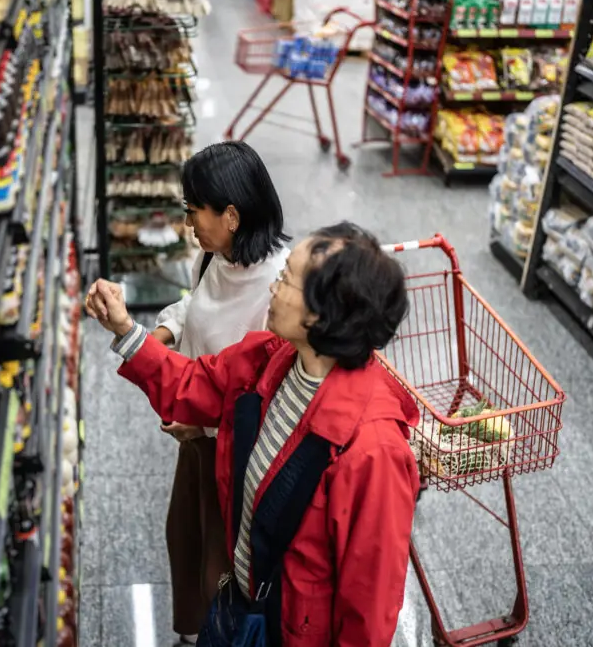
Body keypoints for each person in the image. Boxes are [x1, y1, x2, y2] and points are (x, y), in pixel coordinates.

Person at [85, 222, 418, 647]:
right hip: (249, 604)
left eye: (286, 279)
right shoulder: (272, 360)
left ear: (319, 314)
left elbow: (368, 609)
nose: (274, 288)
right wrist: (126, 330)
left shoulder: (372, 450)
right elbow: (193, 382)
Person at [152, 141, 290, 645]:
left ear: (231, 215)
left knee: (220, 560)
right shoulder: (213, 257)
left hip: (236, 450)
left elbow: (264, 391)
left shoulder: (278, 288)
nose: (188, 222)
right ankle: (191, 634)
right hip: (197, 433)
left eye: (194, 211)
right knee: (183, 536)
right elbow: (196, 306)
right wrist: (165, 332)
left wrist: (204, 425)